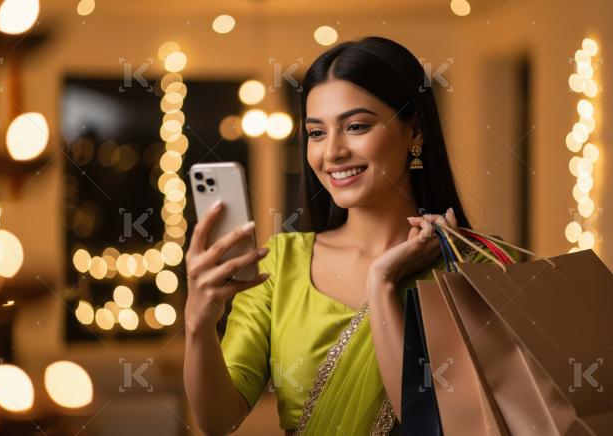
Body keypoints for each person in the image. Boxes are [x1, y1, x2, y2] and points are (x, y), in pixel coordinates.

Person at [183, 35, 512, 435]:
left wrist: (383, 284)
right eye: (317, 133)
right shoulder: (280, 264)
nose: (332, 152)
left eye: (356, 126)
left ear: (414, 132)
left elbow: (444, 424)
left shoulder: (474, 265)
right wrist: (199, 323)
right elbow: (218, 421)